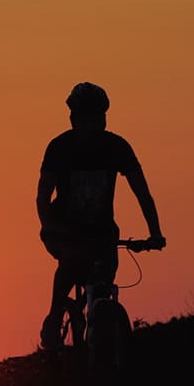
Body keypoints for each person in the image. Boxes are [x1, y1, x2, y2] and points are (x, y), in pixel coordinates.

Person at [37, 82, 165, 350]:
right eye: (86, 117)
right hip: (64, 229)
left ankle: (105, 341)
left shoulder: (117, 147)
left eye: (99, 117)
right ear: (73, 119)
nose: (93, 124)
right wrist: (49, 227)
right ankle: (54, 318)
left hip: (103, 231)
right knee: (71, 263)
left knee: (105, 278)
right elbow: (43, 197)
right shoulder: (59, 148)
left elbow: (143, 193)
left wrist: (155, 233)